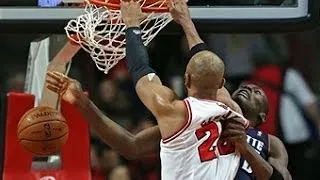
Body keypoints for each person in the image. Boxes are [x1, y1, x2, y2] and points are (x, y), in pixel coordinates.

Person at [48, 0, 249, 179]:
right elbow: (207, 64)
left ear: (186, 79)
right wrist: (187, 23)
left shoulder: (175, 114)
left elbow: (140, 70)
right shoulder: (232, 111)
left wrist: (133, 27)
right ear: (222, 83)